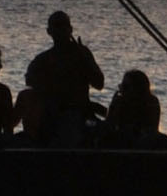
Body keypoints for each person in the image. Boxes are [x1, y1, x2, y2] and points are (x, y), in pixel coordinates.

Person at [16, 10, 105, 146]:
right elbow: (31, 82)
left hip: (81, 115)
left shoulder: (82, 54)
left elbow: (99, 84)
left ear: (70, 29)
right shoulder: (43, 60)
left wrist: (85, 60)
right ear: (49, 31)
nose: (61, 30)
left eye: (64, 25)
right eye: (57, 26)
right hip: (53, 116)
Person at [103, 68, 164, 148]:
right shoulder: (120, 102)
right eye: (121, 86)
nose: (121, 90)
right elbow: (108, 128)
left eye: (125, 87)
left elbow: (151, 129)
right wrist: (113, 107)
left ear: (138, 89)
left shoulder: (150, 102)